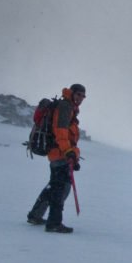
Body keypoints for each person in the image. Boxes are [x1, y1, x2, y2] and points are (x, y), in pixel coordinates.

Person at [27, 83, 86, 233]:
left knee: (54, 186)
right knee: (61, 188)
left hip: (59, 153)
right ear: (71, 93)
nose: (80, 98)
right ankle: (54, 223)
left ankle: (35, 215)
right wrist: (68, 152)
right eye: (78, 94)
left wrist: (73, 155)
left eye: (83, 96)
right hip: (60, 153)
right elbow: (60, 131)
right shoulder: (66, 107)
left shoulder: (70, 108)